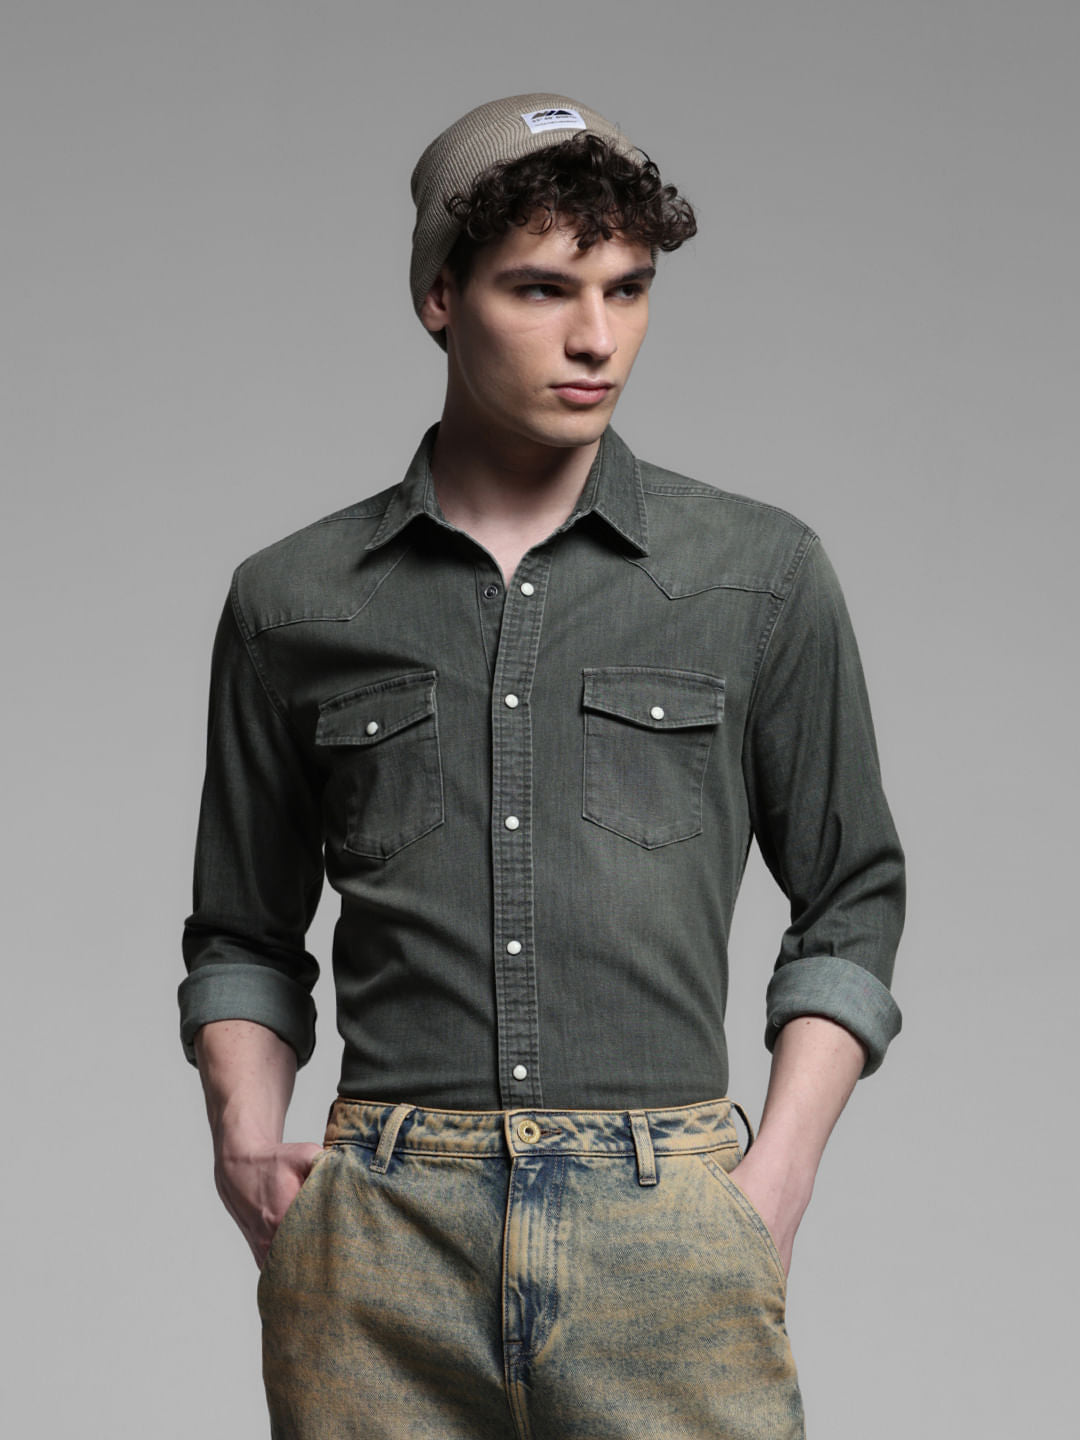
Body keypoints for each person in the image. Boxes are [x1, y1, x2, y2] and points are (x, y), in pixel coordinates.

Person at [180, 93, 904, 1439]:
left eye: (628, 289)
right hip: (382, 1237)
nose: (597, 337)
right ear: (439, 298)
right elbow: (242, 929)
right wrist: (245, 1137)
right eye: (542, 289)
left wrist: (779, 1176)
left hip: (668, 1221)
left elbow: (854, 892)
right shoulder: (293, 600)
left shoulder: (758, 576)